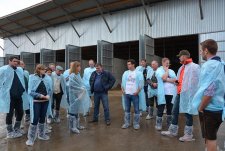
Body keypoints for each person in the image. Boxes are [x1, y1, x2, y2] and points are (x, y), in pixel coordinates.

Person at [191, 39, 225, 151]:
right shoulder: (222, 63)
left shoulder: (209, 66)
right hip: (220, 106)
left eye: (201, 50)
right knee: (212, 134)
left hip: (209, 108)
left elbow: (209, 91)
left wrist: (201, 107)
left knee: (210, 138)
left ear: (206, 51)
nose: (200, 53)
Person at [161, 50, 200, 142]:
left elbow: (196, 82)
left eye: (180, 56)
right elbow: (178, 81)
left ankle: (188, 135)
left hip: (188, 94)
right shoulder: (182, 67)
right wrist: (169, 80)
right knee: (174, 111)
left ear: (185, 56)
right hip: (179, 93)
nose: (179, 58)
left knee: (188, 113)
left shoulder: (195, 67)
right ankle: (172, 131)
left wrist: (191, 93)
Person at [0, 56, 29, 138]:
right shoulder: (3, 69)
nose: (16, 63)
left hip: (19, 96)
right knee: (9, 114)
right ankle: (9, 131)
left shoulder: (19, 70)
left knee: (20, 112)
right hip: (9, 96)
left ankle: (16, 128)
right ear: (9, 61)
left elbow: (23, 80)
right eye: (14, 61)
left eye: (17, 61)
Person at [26, 64, 53, 146]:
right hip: (36, 101)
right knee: (35, 118)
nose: (44, 71)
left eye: (45, 69)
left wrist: (48, 95)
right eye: (43, 69)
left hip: (45, 101)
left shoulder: (47, 78)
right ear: (38, 69)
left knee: (42, 118)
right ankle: (30, 138)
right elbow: (30, 91)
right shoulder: (32, 77)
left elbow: (49, 89)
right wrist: (40, 95)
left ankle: (41, 135)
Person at [121, 59, 145, 130]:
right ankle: (127, 123)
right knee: (127, 109)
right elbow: (122, 82)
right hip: (127, 94)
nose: (128, 66)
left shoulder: (138, 73)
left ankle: (136, 124)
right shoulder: (125, 73)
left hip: (135, 94)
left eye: (129, 64)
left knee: (136, 109)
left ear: (133, 64)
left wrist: (138, 91)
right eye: (127, 64)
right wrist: (123, 90)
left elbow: (141, 83)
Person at [67, 61, 90, 133]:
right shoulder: (72, 75)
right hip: (73, 96)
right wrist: (81, 89)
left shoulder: (78, 74)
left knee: (77, 110)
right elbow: (72, 86)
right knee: (73, 111)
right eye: (78, 66)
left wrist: (82, 87)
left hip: (79, 95)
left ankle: (77, 125)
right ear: (75, 67)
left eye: (80, 66)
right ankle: (72, 128)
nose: (80, 67)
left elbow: (81, 83)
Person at [154, 58, 177, 130]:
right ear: (162, 63)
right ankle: (158, 124)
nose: (168, 64)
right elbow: (163, 78)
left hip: (171, 93)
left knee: (169, 109)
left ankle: (169, 123)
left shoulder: (172, 71)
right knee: (160, 108)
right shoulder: (159, 70)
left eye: (168, 63)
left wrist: (167, 79)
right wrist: (167, 72)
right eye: (166, 63)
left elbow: (176, 81)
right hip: (162, 93)